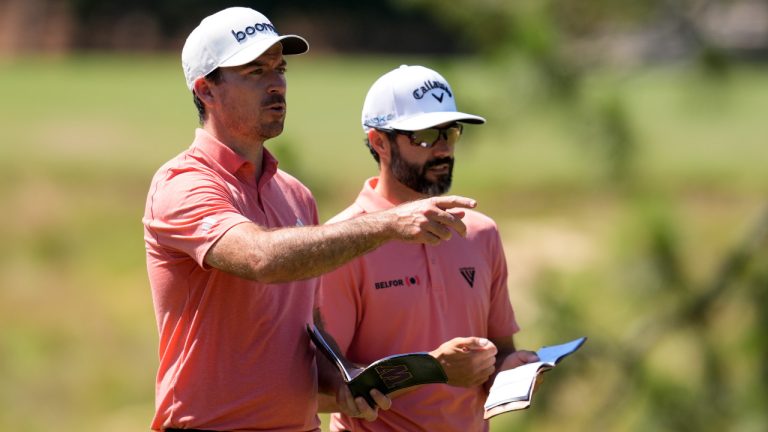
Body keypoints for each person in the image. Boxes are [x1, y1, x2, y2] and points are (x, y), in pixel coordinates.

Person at [143, 8, 479, 432]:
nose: (276, 84)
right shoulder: (183, 183)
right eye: (255, 71)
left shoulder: (295, 194)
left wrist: (344, 382)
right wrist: (388, 223)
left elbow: (308, 334)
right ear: (206, 89)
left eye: (279, 69)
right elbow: (261, 259)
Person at [317, 65, 539, 432]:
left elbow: (497, 352)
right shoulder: (342, 242)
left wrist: (512, 370)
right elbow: (322, 387)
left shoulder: (481, 233)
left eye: (449, 133)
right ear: (379, 142)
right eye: (423, 135)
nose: (442, 149)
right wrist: (433, 371)